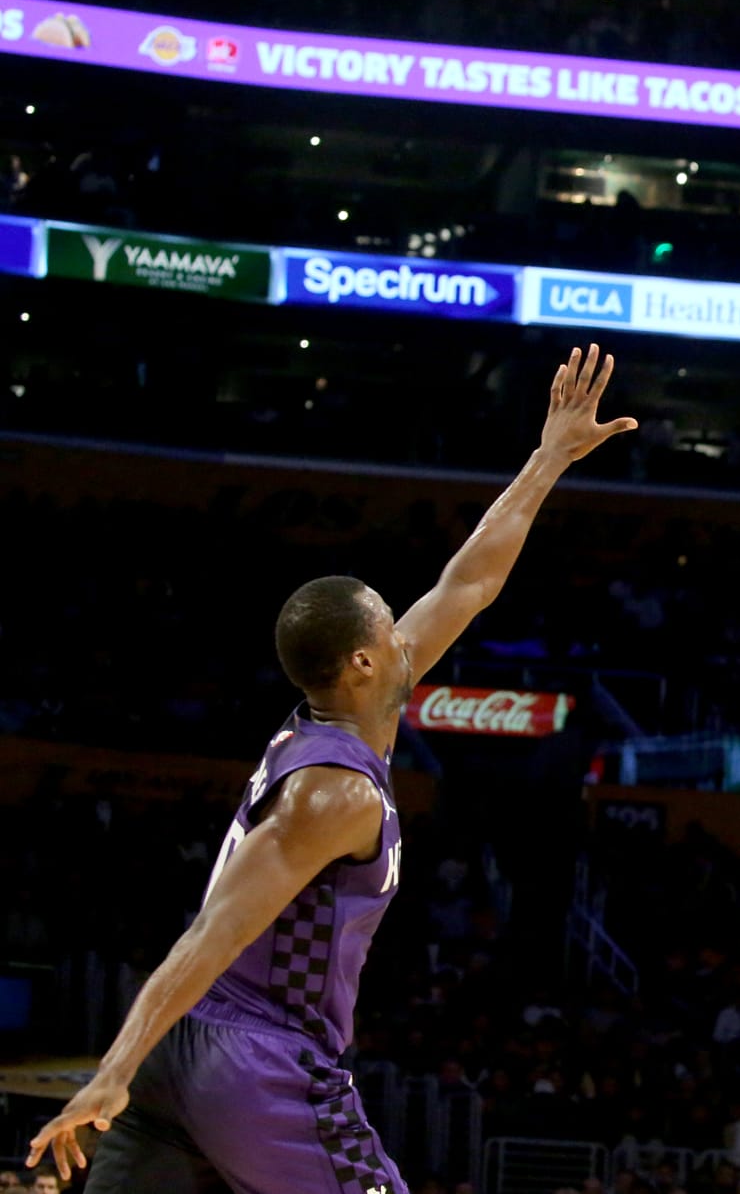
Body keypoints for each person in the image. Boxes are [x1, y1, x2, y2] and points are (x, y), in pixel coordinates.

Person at [27, 346, 638, 1193]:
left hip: (190, 1053)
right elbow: (210, 934)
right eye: (389, 624)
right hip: (256, 1055)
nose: (406, 630)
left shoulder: (349, 711)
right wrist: (110, 1068)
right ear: (359, 659)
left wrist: (549, 457)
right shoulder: (333, 791)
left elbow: (470, 579)